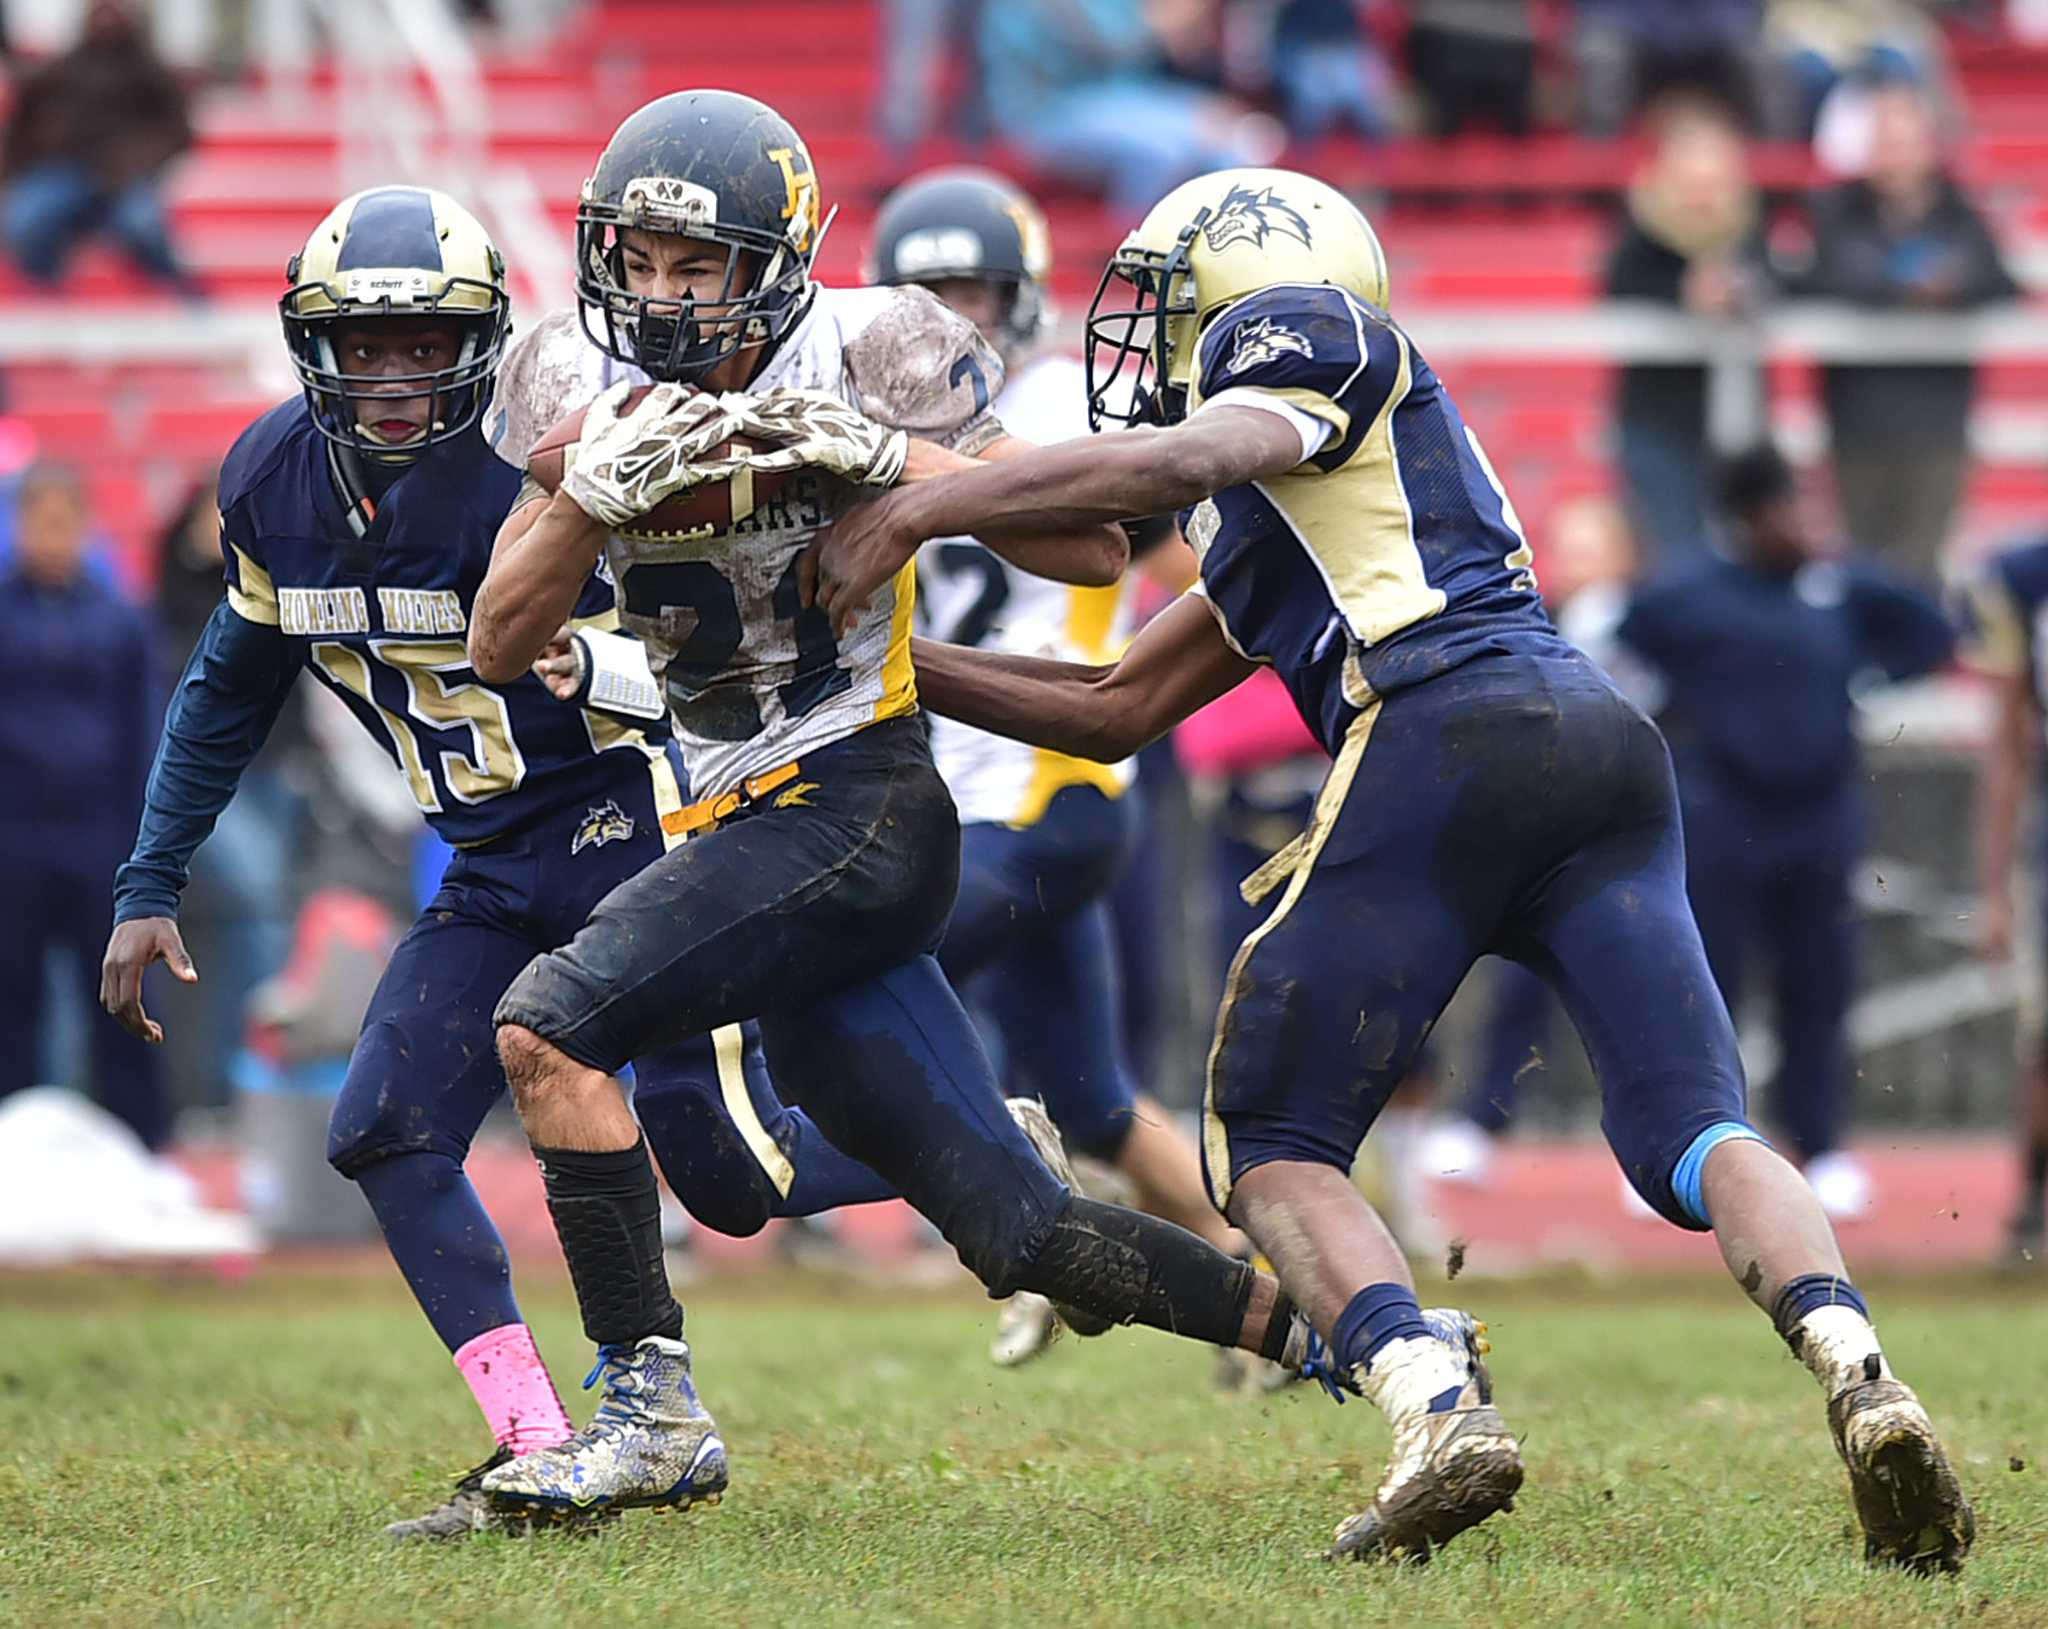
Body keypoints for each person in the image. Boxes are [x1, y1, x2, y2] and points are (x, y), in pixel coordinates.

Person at [813, 165, 1975, 1571]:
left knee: (1269, 1140)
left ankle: (1432, 1399)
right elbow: (1109, 702)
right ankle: (1859, 1369)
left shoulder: (1306, 338)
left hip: (1446, 726)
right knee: (1695, 1131)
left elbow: (1180, 466)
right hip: (1596, 749)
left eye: (1172, 299)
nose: (1149, 335)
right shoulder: (1291, 506)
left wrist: (917, 507)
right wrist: (885, 663)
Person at [464, 90, 1321, 1520]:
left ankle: (646, 1409)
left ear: (781, 259)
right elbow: (499, 641)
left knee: (545, 1027)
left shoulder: (876, 349)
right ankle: (1360, 1340)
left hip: (856, 793)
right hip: (741, 813)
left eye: (702, 266)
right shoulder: (573, 383)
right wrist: (582, 499)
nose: (665, 300)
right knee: (1022, 1226)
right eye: (644, 263)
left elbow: (1096, 547)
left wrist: (889, 463)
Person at [100, 186, 900, 1541]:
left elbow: (713, 656)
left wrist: (593, 658)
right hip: (483, 853)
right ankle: (534, 1440)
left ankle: (948, 1144)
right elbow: (227, 684)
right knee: (382, 1127)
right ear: (313, 347)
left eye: (429, 342)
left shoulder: (551, 460)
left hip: (635, 825)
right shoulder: (271, 481)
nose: (400, 375)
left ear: (482, 342)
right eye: (369, 344)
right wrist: (148, 879)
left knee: (723, 1166)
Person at [868, 166, 1246, 1367]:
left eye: (968, 291)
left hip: (1036, 796)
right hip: (1004, 800)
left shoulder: (1049, 402)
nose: (947, 318)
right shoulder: (883, 415)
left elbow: (1158, 536)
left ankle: (1019, 1218)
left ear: (1018, 298)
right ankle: (1284, 1299)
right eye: (923, 293)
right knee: (1095, 1100)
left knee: (863, 984)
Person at [1617, 445, 1953, 1218]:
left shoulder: (1840, 587)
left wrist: (1869, 676)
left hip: (1820, 816)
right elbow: (1623, 652)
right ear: (1747, 518)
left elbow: (1933, 632)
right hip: (1723, 815)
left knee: (1819, 982)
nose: (1804, 522)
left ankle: (1821, 1142)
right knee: (1707, 986)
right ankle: (1687, 1145)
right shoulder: (1689, 594)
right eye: (1786, 507)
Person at [0, 462, 169, 1155]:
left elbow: (144, 726)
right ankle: (14, 1142)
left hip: (100, 834)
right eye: (37, 522)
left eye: (63, 522)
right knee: (13, 999)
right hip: (15, 835)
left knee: (119, 995)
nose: (50, 537)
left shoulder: (119, 616)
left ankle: (141, 1144)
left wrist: (145, 836)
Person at [1803, 80, 2019, 587]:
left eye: (1905, 139)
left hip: (1937, 415)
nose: (1895, 154)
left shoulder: (1961, 214)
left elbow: (1997, 280)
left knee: (1922, 561)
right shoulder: (1836, 212)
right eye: (1885, 140)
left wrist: (1953, 287)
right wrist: (1901, 289)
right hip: (1858, 415)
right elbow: (1820, 278)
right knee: (1861, 560)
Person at [1604, 96, 1775, 564]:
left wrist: (1741, 293)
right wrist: (1683, 292)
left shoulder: (1751, 228)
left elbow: (1779, 287)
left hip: (1741, 429)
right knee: (1676, 556)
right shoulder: (1639, 234)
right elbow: (1620, 291)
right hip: (1658, 424)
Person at [1961, 532, 2048, 1265]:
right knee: (2044, 1033)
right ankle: (2032, 1206)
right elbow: (2010, 736)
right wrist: (1995, 887)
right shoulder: (2025, 576)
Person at [0, 0, 202, 297]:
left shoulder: (150, 74)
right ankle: (48, 300)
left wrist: (138, 164)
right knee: (25, 221)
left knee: (142, 225)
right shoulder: (63, 70)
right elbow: (22, 128)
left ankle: (189, 303)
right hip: (66, 174)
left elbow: (178, 133)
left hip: (127, 179)